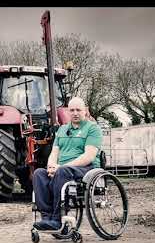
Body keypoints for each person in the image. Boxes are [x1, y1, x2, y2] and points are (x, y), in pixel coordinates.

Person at [33, 97, 103, 231]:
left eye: (78, 110)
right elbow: (54, 153)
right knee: (39, 174)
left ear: (85, 111)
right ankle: (47, 218)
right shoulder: (62, 130)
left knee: (62, 171)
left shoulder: (93, 129)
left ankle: (57, 219)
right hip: (62, 170)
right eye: (72, 110)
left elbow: (88, 156)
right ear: (68, 112)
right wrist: (51, 166)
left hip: (85, 169)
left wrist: (61, 167)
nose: (75, 113)